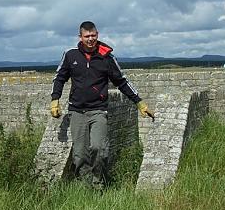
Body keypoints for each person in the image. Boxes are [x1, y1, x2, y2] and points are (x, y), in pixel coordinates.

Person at [50, 21, 154, 190]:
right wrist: (55, 99)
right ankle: (86, 187)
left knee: (99, 149)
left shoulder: (107, 57)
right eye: (87, 36)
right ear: (80, 37)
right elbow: (59, 78)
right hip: (77, 111)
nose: (90, 39)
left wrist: (139, 102)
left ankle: (99, 185)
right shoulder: (70, 55)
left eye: (93, 35)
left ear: (97, 35)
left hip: (98, 109)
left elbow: (122, 81)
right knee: (80, 155)